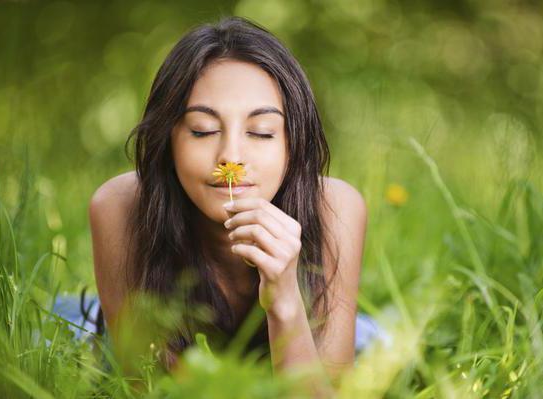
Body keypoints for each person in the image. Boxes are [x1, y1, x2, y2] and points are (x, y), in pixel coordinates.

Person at [85, 15, 375, 392]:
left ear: (294, 142)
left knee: (377, 344)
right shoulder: (118, 207)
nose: (231, 157)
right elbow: (148, 386)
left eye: (261, 132)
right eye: (203, 130)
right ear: (167, 139)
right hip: (111, 329)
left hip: (337, 343)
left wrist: (285, 300)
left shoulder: (336, 207)